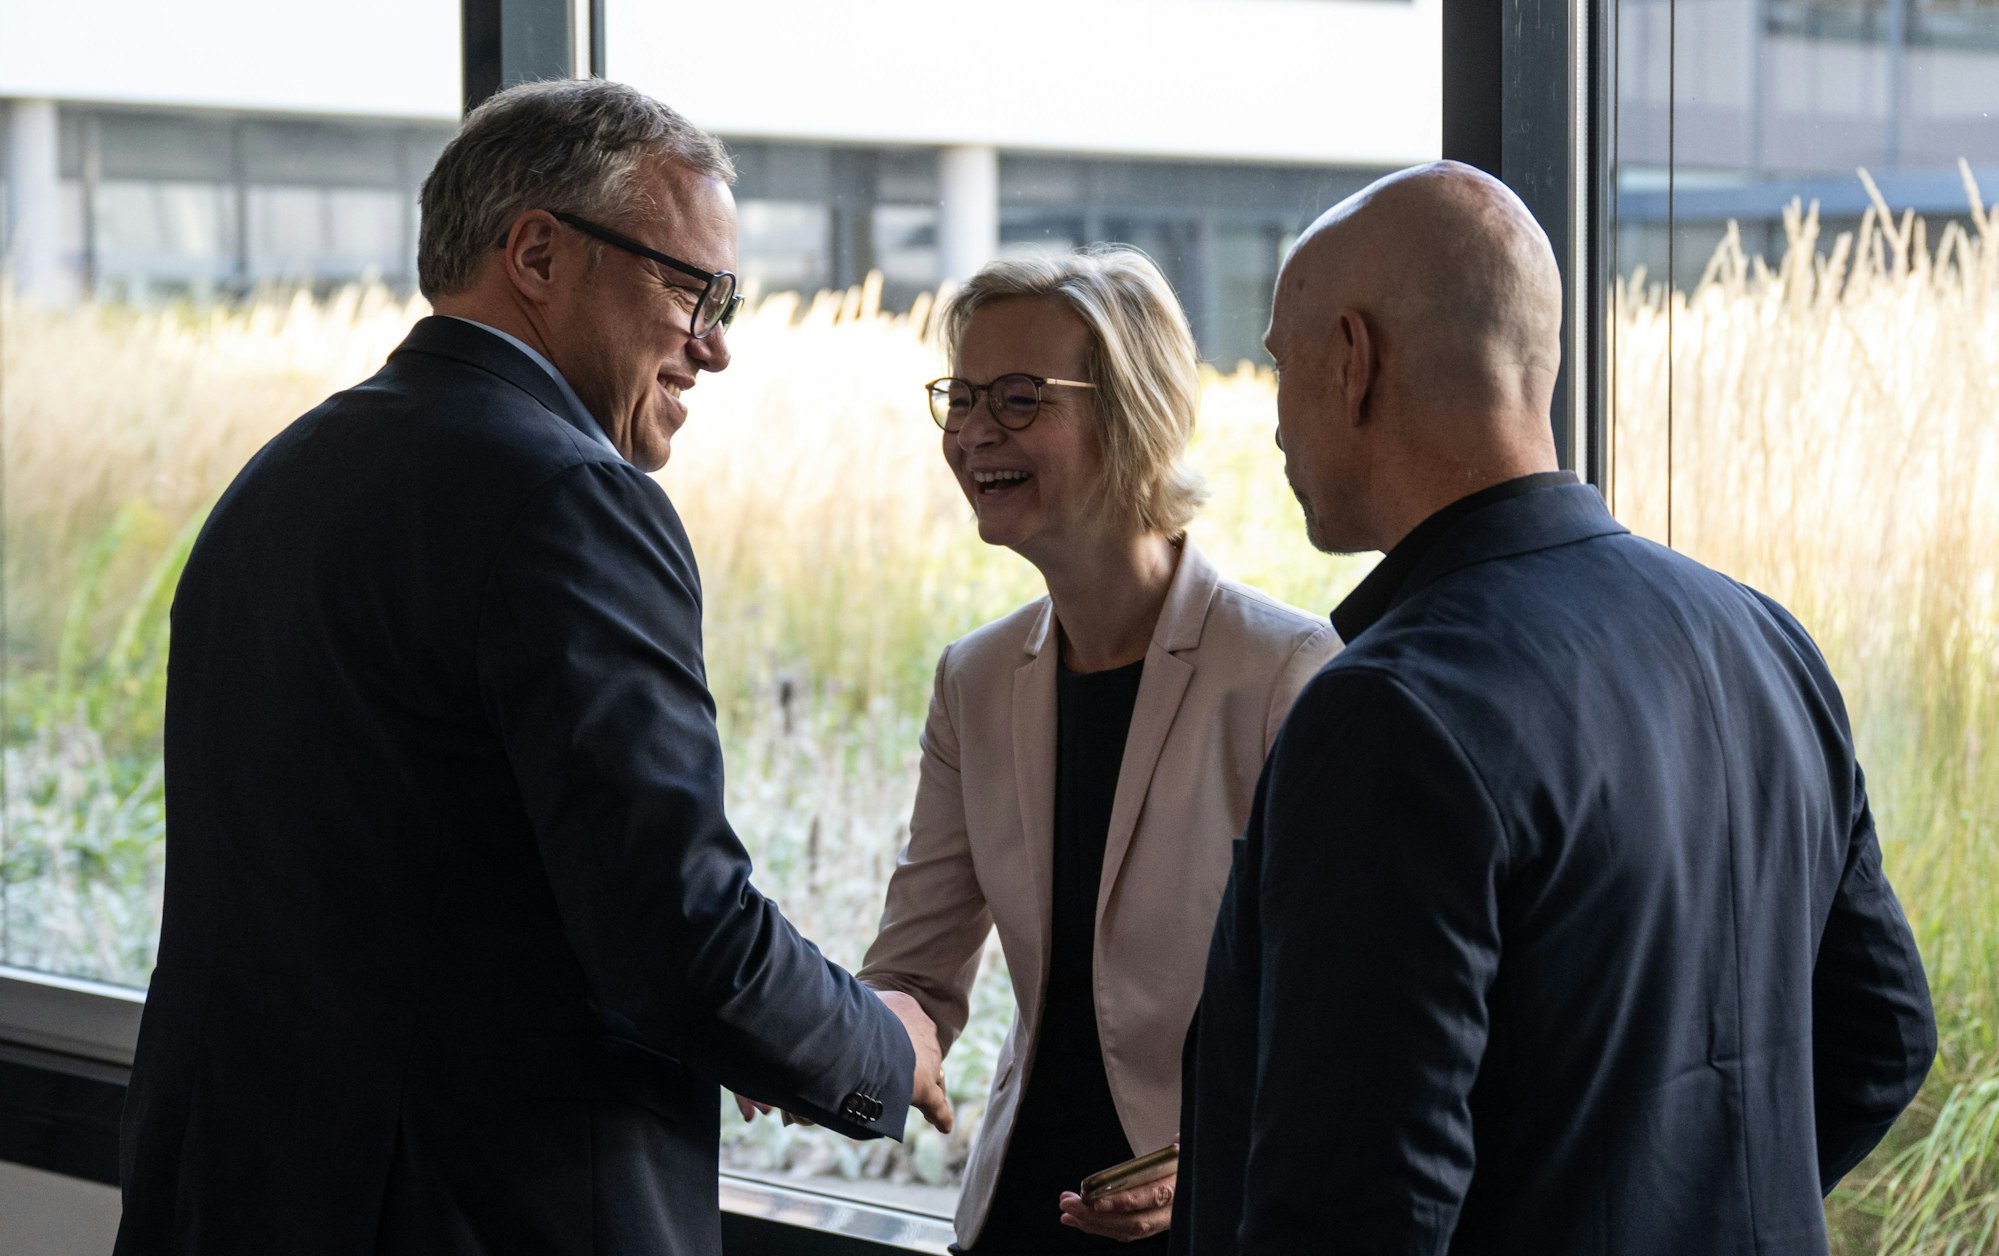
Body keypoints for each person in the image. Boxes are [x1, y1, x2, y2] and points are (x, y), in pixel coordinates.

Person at [114, 80, 948, 1256]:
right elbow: (676, 934)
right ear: (541, 255)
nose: (714, 344)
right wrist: (877, 1049)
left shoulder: (278, 478)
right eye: (691, 288)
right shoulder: (570, 497)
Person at [1172, 161, 1937, 1255]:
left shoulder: (1391, 711)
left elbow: (1351, 1216)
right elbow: (1883, 1038)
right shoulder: (1764, 639)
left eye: (1280, 366)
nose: (1275, 425)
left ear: (1352, 360)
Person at [844, 247, 1339, 1253]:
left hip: (1213, 1215)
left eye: (1020, 399)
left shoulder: (1286, 670)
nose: (974, 431)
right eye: (964, 395)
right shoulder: (974, 677)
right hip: (1018, 1212)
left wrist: (1212, 1146)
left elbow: (1339, 1013)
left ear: (1131, 413)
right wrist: (815, 1040)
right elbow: (916, 972)